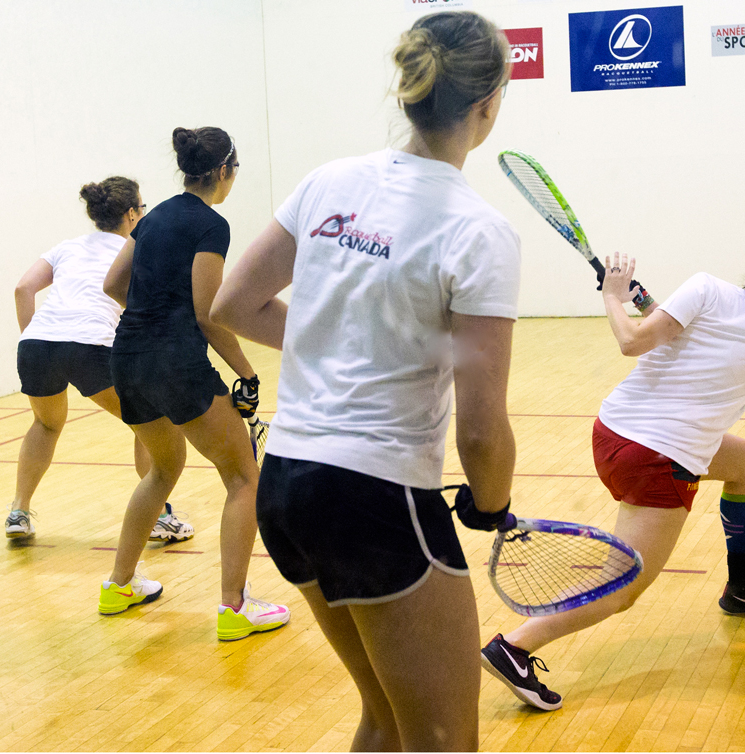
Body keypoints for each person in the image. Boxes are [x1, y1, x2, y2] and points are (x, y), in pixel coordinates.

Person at [211, 11, 515, 750]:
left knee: (385, 717)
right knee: (444, 743)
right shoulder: (479, 231)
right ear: (488, 106)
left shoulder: (328, 182)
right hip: (373, 500)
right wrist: (493, 502)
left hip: (286, 485)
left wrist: (337, 341)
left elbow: (231, 306)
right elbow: (480, 429)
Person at [481, 241, 745, 711]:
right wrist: (616, 298)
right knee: (625, 585)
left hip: (613, 433)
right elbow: (634, 342)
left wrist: (623, 296)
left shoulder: (704, 288)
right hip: (657, 460)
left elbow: (676, 334)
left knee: (743, 462)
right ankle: (514, 647)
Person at [98, 127, 289, 642]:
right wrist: (246, 373)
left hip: (128, 358)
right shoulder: (210, 224)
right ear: (224, 171)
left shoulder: (153, 215)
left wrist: (150, 320)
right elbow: (209, 313)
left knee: (162, 469)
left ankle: (118, 586)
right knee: (244, 477)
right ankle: (234, 608)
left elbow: (113, 284)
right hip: (174, 363)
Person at [8, 177, 191, 542]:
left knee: (46, 425)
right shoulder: (136, 250)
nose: (143, 213)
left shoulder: (67, 247)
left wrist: (36, 336)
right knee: (149, 420)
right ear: (130, 214)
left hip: (37, 345)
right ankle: (157, 517)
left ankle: (18, 512)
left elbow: (23, 288)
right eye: (141, 207)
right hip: (91, 345)